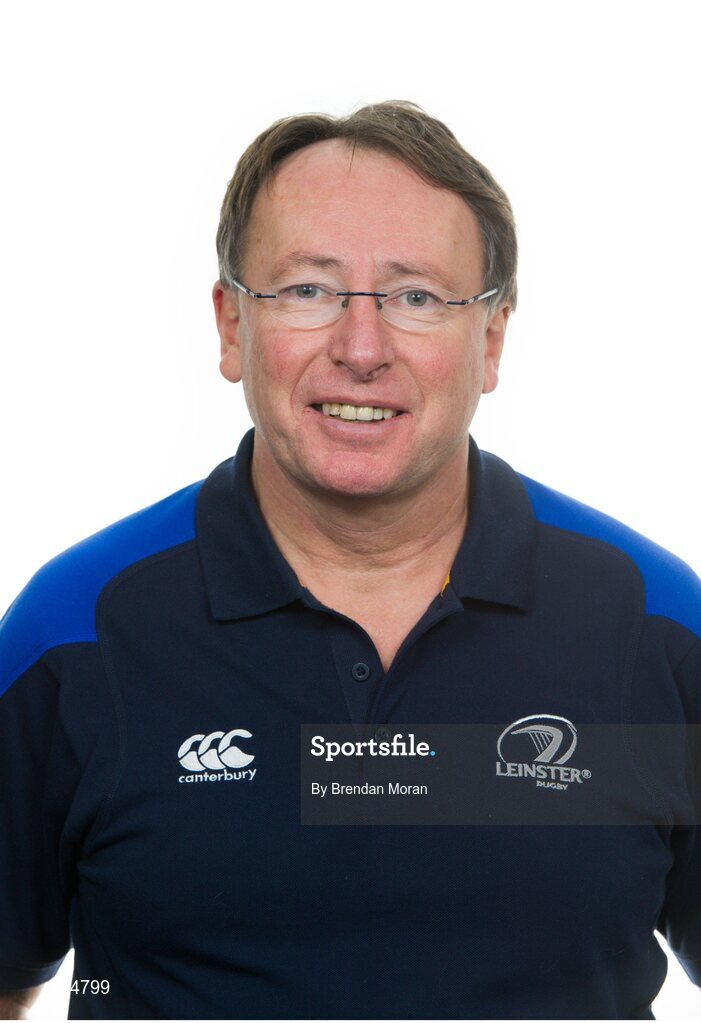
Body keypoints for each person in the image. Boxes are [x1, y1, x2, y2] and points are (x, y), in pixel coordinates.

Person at [1, 100, 699, 1021]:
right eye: (307, 290)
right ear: (229, 326)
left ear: (488, 339)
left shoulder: (654, 626)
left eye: (416, 296)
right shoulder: (72, 635)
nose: (360, 349)